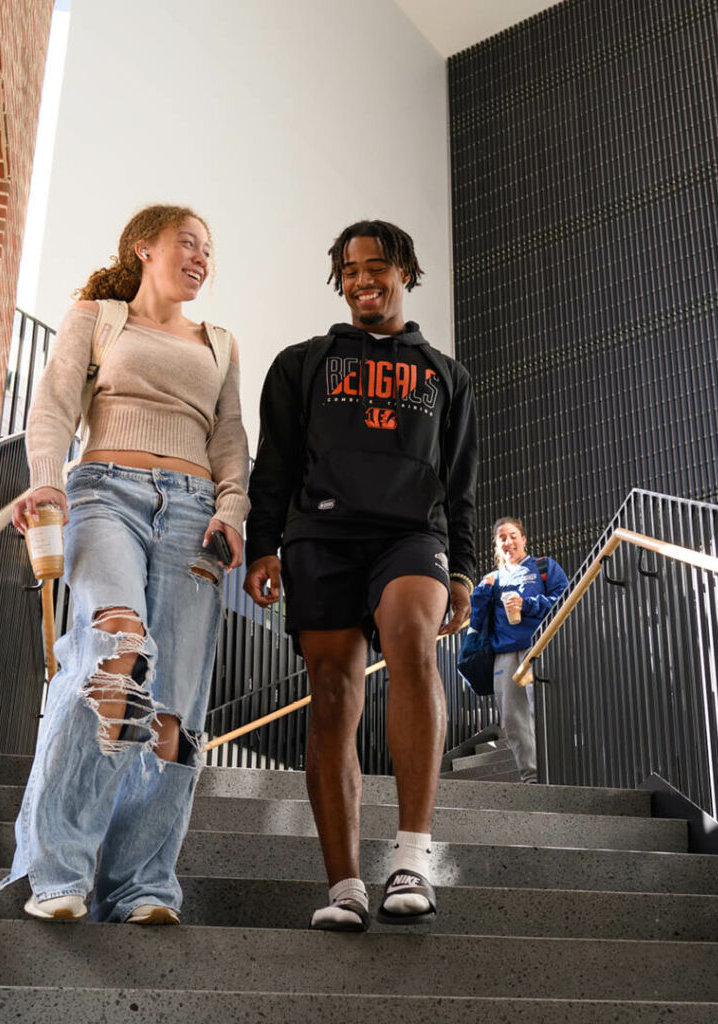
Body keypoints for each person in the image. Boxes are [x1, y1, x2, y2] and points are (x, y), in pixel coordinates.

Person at [0, 204, 249, 924]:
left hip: (195, 516)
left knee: (175, 711)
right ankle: (58, 874)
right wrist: (46, 476)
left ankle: (140, 887)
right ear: (145, 248)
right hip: (107, 493)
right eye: (187, 243)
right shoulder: (97, 317)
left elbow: (231, 443)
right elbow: (51, 407)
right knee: (116, 652)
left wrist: (232, 513)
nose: (201, 257)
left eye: (209, 249)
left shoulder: (222, 344)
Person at [242, 220, 477, 932]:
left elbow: (459, 485)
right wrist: (263, 547)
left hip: (411, 535)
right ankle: (344, 883)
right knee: (334, 694)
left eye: (376, 266)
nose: (362, 279)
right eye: (349, 269)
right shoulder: (301, 364)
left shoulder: (446, 375)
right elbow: (273, 467)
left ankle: (411, 857)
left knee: (411, 637)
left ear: (405, 271)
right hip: (321, 537)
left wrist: (463, 570)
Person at [469, 517, 568, 783]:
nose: (508, 541)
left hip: (539, 646)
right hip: (504, 655)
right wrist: (481, 592)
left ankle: (557, 771)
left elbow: (564, 600)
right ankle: (531, 777)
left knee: (544, 710)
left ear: (524, 539)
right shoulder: (493, 579)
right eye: (502, 537)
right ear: (496, 545)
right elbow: (476, 622)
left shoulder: (544, 567)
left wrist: (528, 604)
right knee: (513, 719)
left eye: (513, 535)